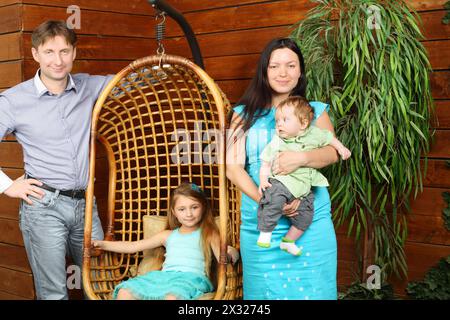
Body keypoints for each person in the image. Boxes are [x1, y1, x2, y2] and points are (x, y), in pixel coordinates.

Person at [0, 20, 112, 299]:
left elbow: (137, 79)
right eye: (49, 52)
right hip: (44, 208)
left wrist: (165, 65)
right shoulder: (13, 100)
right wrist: (6, 186)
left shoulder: (91, 86)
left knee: (99, 288)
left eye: (64, 51)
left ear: (74, 53)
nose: (58, 60)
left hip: (86, 207)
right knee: (53, 294)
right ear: (36, 54)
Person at [226, 37, 340, 300]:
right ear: (264, 71)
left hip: (310, 222)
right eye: (275, 66)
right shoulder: (244, 114)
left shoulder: (315, 111)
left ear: (300, 71)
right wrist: (268, 201)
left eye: (291, 65)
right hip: (261, 222)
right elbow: (232, 168)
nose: (283, 72)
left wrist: (300, 158)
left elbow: (332, 152)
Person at [92, 182, 240, 300]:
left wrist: (231, 252)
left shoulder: (209, 233)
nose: (188, 214)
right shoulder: (168, 235)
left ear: (203, 207)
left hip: (190, 279)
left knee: (172, 297)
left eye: (194, 207)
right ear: (174, 212)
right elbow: (134, 246)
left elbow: (224, 254)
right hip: (164, 277)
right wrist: (103, 244)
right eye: (182, 209)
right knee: (125, 292)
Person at [257, 96, 351, 256]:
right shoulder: (278, 141)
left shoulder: (315, 134)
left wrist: (342, 149)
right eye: (277, 120)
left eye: (285, 120)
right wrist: (263, 180)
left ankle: (289, 241)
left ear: (303, 123)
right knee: (273, 201)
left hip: (304, 189)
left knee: (306, 215)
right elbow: (265, 162)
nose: (279, 124)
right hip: (281, 182)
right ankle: (265, 232)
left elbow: (330, 139)